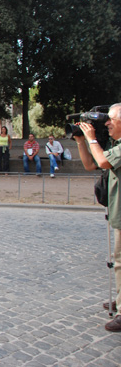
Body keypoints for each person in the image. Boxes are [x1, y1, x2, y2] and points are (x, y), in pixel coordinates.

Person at [75, 103, 121, 332]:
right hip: (117, 211)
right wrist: (81, 141)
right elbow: (90, 164)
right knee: (119, 261)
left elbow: (102, 162)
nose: (107, 123)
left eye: (111, 119)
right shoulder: (116, 144)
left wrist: (92, 137)